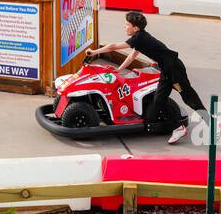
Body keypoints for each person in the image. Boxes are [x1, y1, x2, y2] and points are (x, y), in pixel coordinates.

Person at [89, 11, 209, 143]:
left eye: (127, 24)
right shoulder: (140, 38)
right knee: (158, 100)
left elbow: (113, 46)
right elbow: (132, 56)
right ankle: (178, 128)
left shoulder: (139, 38)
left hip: (174, 68)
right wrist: (119, 70)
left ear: (135, 28)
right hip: (165, 70)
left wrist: (93, 52)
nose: (124, 27)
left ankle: (212, 123)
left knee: (189, 97)